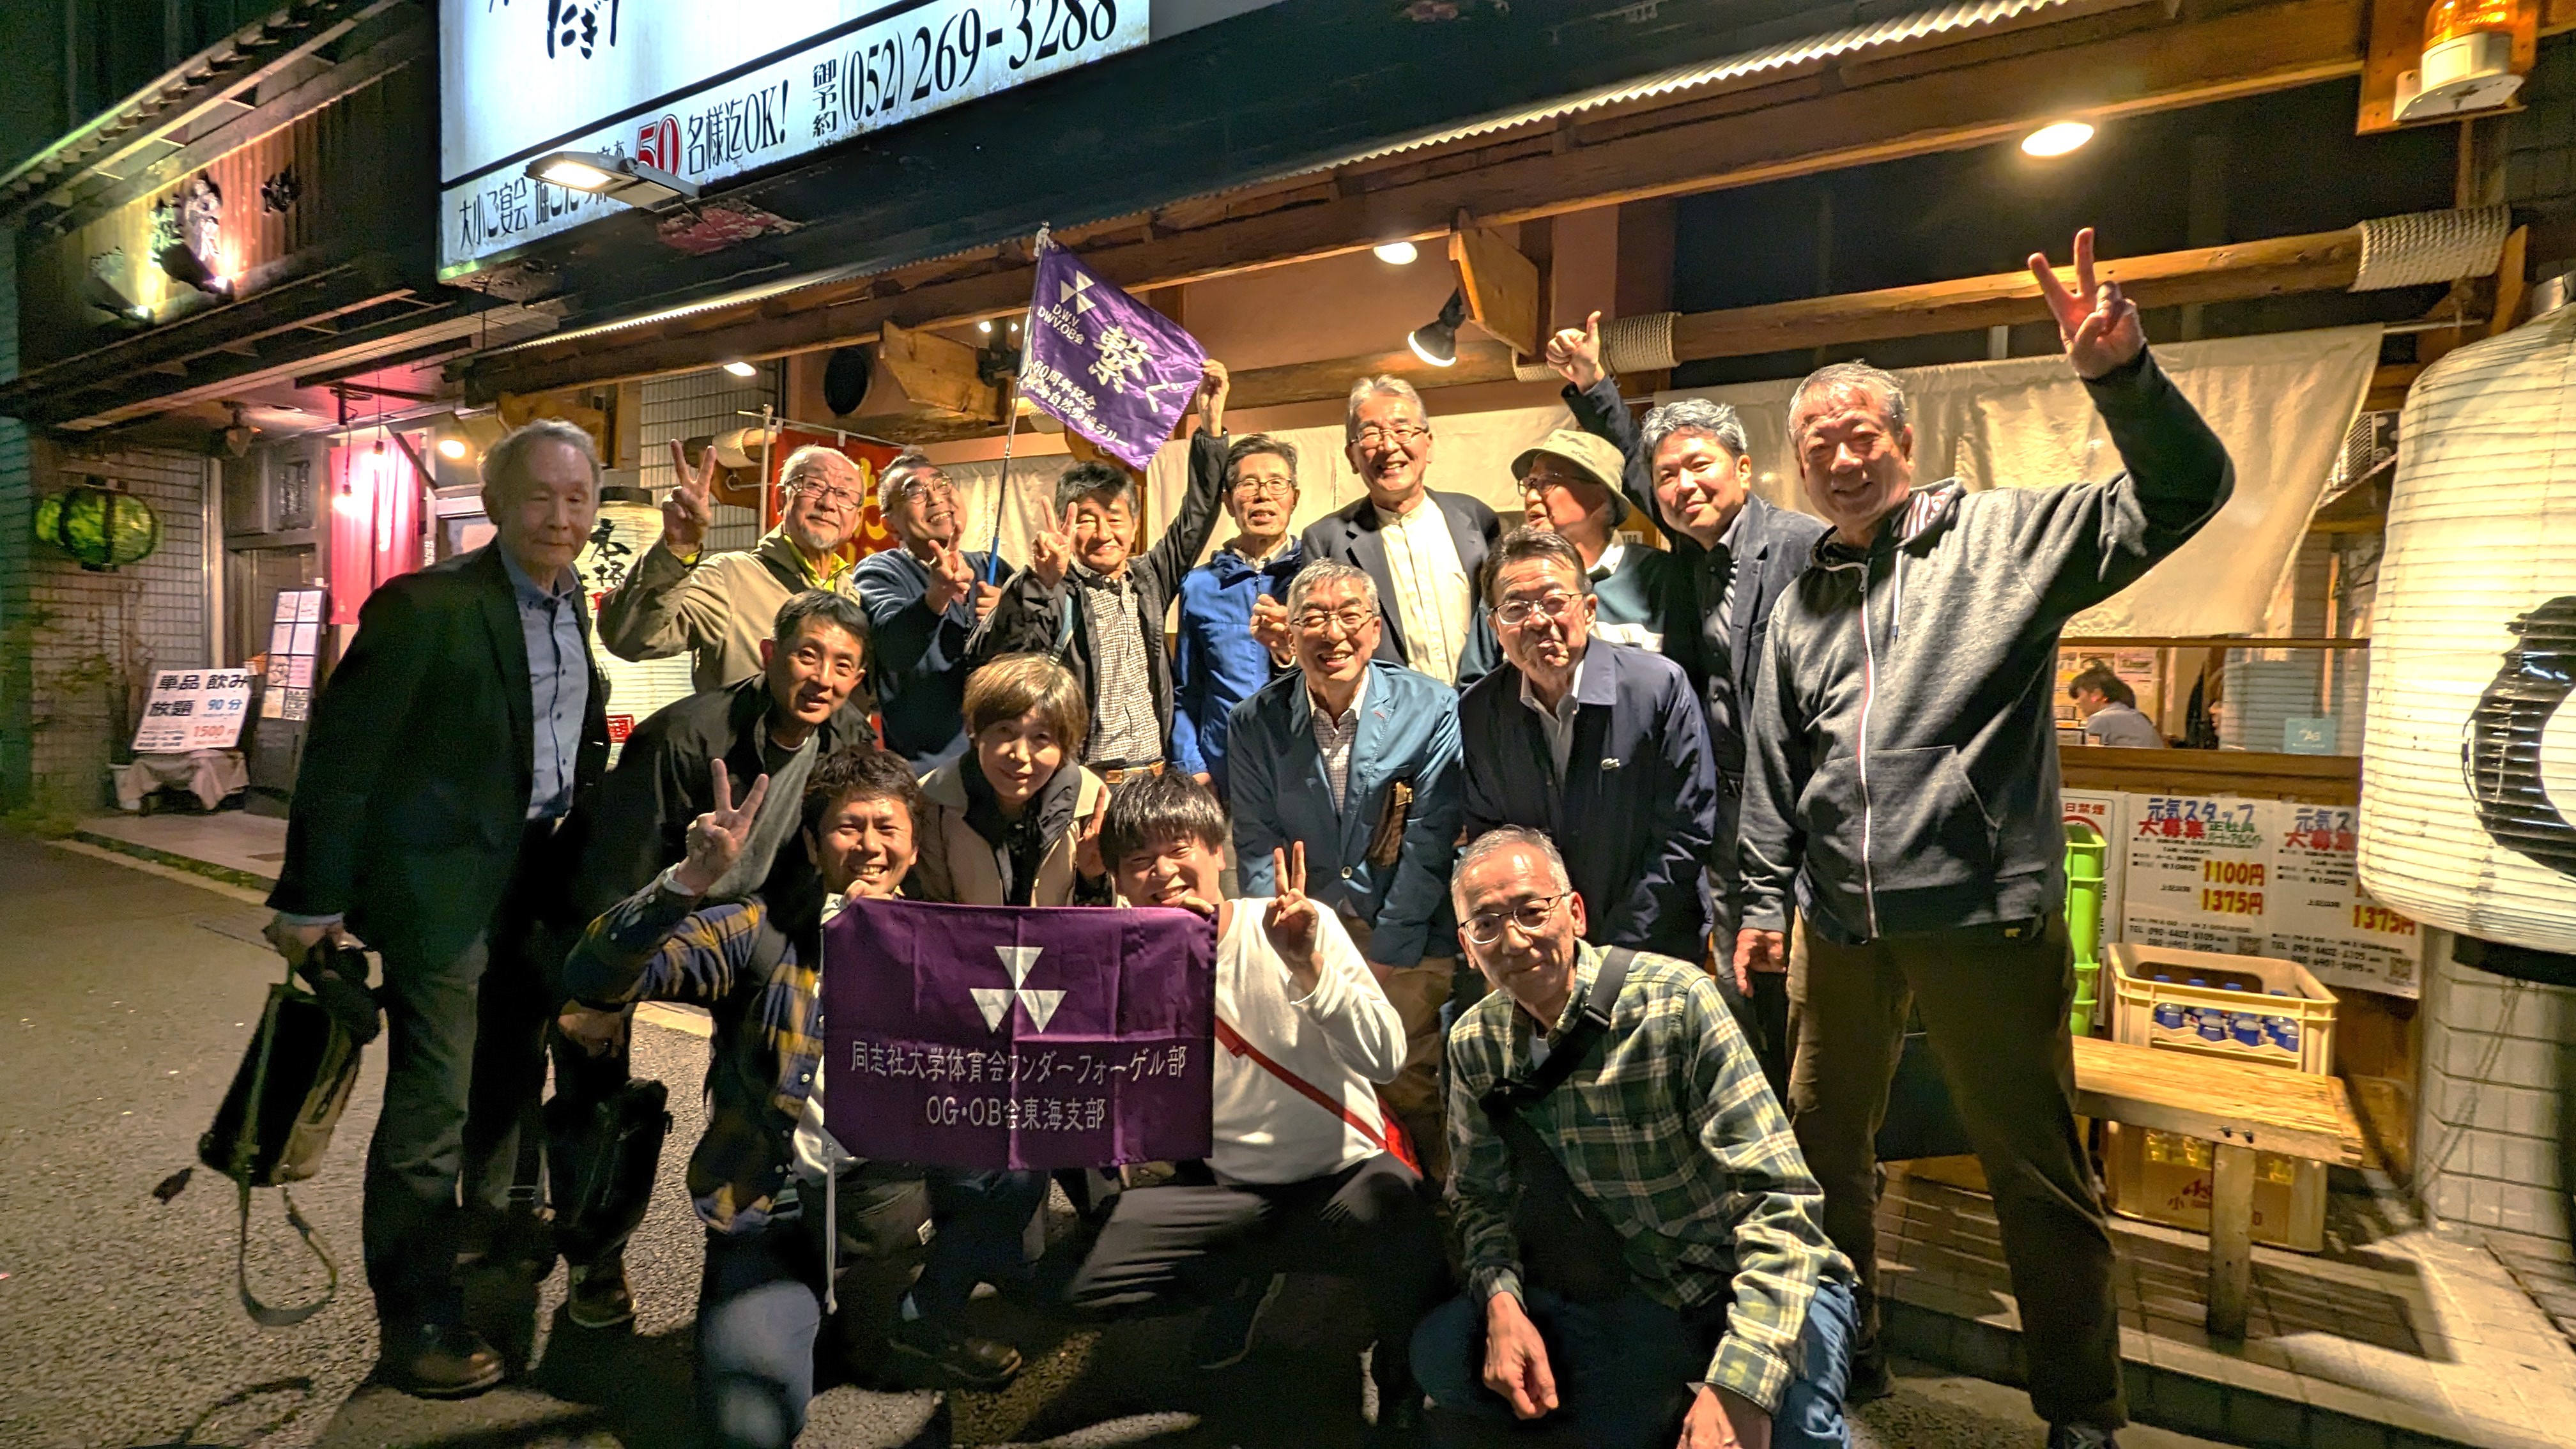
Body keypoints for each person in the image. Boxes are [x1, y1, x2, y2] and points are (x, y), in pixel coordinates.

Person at [1735, 229, 2234, 1449]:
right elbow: (1773, 766)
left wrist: (2121, 378)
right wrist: (1757, 897)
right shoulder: (1800, 599)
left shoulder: (2002, 539)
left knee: (2033, 1165)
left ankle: (2082, 1410)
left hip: (1984, 918)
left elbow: (2185, 494)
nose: (1841, 458)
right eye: (1818, 444)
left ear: (1903, 443)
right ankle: (1845, 1351)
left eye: (1861, 435)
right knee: (1822, 1152)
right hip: (1841, 928)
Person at [558, 748, 1050, 1447]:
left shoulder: (948, 940)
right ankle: (791, 1310)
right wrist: (688, 880)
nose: (870, 845)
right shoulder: (760, 931)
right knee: (750, 1429)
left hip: (887, 1197)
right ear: (815, 846)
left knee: (1022, 1159)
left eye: (888, 828)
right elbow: (593, 972)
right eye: (849, 827)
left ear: (914, 846)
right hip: (774, 1211)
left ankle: (923, 1314)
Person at [263, 418, 610, 1398]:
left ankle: (486, 1232)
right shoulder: (426, 605)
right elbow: (344, 758)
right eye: (539, 495)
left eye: (578, 498)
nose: (560, 516)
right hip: (439, 892)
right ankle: (413, 1319)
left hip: (534, 883)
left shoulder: (571, 602)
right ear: (493, 503)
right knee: (432, 1106)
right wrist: (311, 900)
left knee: (510, 1075)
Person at [1417, 827, 1857, 1449]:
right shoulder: (1475, 1044)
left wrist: (1742, 1383)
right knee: (1445, 1352)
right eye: (1486, 925)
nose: (1513, 940)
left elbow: (1781, 1200)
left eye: (1531, 911)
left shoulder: (1676, 1002)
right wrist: (1502, 1304)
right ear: (1467, 947)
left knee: (1791, 1435)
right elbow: (1479, 1200)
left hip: (1761, 1275)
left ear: (1575, 913)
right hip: (1642, 1289)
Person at [1066, 772, 1446, 1438]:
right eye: (1140, 861)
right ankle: (1241, 1283)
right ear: (1120, 880)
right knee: (1089, 1280)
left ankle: (1399, 1374)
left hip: (1341, 1174)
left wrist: (1308, 967)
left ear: (1218, 852)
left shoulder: (1296, 924)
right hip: (1231, 1186)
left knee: (1405, 1222)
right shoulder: (1123, 965)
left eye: (1179, 849)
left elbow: (1386, 1057)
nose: (1163, 873)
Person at [1547, 315, 1828, 1091]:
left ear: (1744, 468)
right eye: (1668, 477)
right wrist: (1592, 386)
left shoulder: (1803, 545)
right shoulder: (1695, 553)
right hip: (1726, 818)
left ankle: (1805, 1142)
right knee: (1743, 990)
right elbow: (1642, 472)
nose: (1682, 487)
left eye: (1700, 466)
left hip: (1801, 816)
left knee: (1811, 1006)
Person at [1228, 560, 1466, 1177]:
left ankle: (1431, 1200)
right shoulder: (1253, 723)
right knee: (1309, 1071)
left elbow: (1430, 844)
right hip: (1305, 930)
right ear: (1289, 633)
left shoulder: (1431, 707)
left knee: (1403, 1074)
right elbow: (1256, 843)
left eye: (1350, 615)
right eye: (1313, 618)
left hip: (1405, 929)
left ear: (1376, 627)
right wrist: (1282, 944)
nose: (1333, 633)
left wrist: (1382, 958)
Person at [1459, 527, 1717, 964]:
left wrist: (1614, 950)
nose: (1537, 621)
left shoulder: (1656, 688)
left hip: (1656, 941)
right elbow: (1491, 837)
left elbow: (1685, 832)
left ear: (1590, 609)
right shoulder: (1480, 710)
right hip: (1539, 952)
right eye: (1516, 608)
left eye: (1554, 601)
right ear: (1495, 628)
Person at [968, 360, 1232, 778]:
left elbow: (1197, 516)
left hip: (1153, 776)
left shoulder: (1149, 579)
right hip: (1082, 782)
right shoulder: (1051, 588)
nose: (1103, 533)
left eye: (1115, 518)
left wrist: (1211, 428)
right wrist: (1038, 583)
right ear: (1065, 525)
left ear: (1135, 525)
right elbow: (990, 660)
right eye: (1087, 519)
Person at [599, 441, 871, 693]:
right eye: (813, 486)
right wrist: (678, 549)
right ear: (781, 499)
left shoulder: (853, 595)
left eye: (844, 494)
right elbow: (632, 640)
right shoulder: (731, 577)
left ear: (857, 518)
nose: (828, 503)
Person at [1300, 375, 1502, 689]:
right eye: (1370, 434)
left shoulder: (1476, 518)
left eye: (1402, 430)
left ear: (1428, 443)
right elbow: (1320, 645)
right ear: (1352, 456)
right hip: (1391, 712)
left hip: (1482, 705)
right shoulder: (1326, 541)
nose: (1389, 446)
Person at [908, 652, 1114, 908]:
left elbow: (1120, 916)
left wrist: (1093, 879)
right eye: (1005, 731)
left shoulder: (1092, 805)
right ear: (974, 731)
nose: (1021, 755)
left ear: (1064, 746)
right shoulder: (933, 800)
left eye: (1041, 737)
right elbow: (927, 909)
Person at [1172, 433, 1305, 792]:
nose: (1263, 495)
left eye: (1276, 483)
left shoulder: (1315, 578)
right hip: (1222, 772)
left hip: (1302, 772)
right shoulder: (1199, 585)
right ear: (1229, 503)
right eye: (1248, 484)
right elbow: (1186, 690)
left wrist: (1289, 650)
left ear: (1294, 498)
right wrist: (1193, 767)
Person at [851, 452, 1002, 767]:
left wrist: (1026, 601)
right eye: (915, 492)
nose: (935, 497)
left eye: (942, 484)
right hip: (929, 771)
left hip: (1003, 760)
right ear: (889, 524)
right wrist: (937, 595)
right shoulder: (880, 571)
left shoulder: (992, 567)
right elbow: (894, 650)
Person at [1512, 427, 1688, 654]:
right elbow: (1478, 674)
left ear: (1599, 496)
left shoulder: (1660, 577)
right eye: (1530, 484)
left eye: (1547, 482)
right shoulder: (1511, 578)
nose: (1531, 497)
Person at [2067, 664, 2163, 747]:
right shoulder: (2140, 717)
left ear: (2096, 695)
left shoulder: (2101, 719)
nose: (2078, 702)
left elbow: (2089, 757)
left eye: (2079, 695)